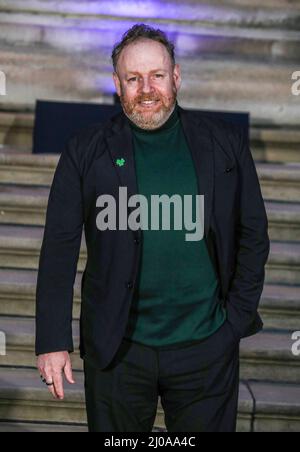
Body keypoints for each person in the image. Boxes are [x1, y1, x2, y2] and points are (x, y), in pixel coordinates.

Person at [36, 24, 270, 432]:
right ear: (117, 84)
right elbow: (59, 248)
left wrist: (233, 322)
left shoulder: (223, 145)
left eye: (157, 76)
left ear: (175, 77)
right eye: (133, 78)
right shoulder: (85, 150)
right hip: (117, 350)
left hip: (206, 347)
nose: (146, 89)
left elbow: (253, 235)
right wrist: (53, 340)